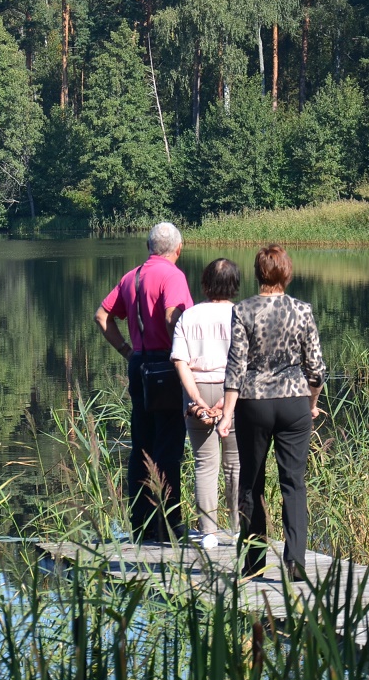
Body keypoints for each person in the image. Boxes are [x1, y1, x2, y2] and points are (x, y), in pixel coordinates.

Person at [218, 244, 326, 581]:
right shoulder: (302, 311)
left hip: (254, 402)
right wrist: (310, 403)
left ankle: (253, 563)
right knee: (293, 483)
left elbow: (235, 367)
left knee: (252, 483)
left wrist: (226, 413)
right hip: (294, 400)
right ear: (286, 273)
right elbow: (317, 369)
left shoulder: (244, 310)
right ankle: (295, 564)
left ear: (258, 274)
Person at [95, 222, 194, 542]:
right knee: (169, 447)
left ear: (149, 247)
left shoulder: (132, 276)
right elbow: (171, 315)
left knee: (141, 446)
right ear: (178, 249)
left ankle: (141, 523)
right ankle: (169, 525)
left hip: (139, 365)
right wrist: (182, 353)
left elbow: (102, 316)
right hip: (167, 365)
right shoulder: (173, 276)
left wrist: (127, 350)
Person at [171, 258, 241, 551]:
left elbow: (180, 361)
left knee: (205, 464)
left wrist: (196, 398)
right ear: (235, 285)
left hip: (197, 388)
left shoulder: (188, 316)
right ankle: (238, 529)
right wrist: (227, 401)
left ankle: (208, 531)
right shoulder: (241, 315)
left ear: (204, 283)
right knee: (235, 465)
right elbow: (246, 362)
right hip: (234, 392)